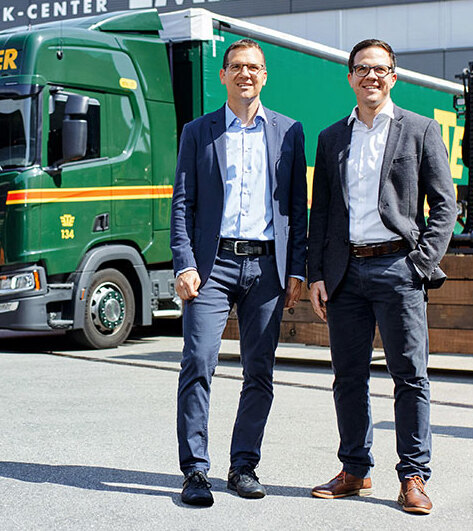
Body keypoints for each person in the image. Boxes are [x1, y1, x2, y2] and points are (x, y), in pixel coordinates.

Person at [306, 39, 455, 514]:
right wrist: (316, 273)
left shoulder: (420, 129)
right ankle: (355, 470)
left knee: (409, 377)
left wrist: (420, 264)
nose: (371, 76)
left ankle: (413, 476)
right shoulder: (332, 137)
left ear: (393, 76)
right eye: (362, 69)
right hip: (345, 272)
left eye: (380, 69)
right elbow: (321, 211)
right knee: (348, 377)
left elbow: (445, 205)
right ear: (350, 76)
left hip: (398, 268)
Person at [170, 38, 307, 507]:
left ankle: (243, 466)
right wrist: (185, 262)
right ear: (224, 74)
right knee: (198, 362)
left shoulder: (289, 131)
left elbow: (297, 208)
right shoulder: (198, 131)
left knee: (260, 370)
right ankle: (195, 470)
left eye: (254, 67)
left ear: (264, 76)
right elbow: (183, 203)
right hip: (213, 265)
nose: (246, 73)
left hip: (267, 267)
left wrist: (296, 269)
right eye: (237, 67)